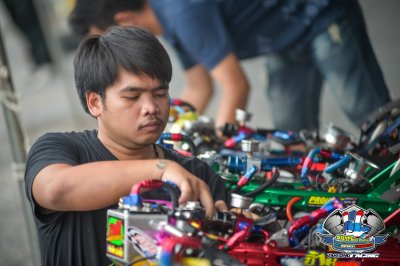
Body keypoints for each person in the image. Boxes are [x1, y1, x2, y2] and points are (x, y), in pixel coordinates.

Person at [24, 26, 229, 266]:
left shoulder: (197, 175)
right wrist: (159, 170)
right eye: (133, 97)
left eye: (160, 93)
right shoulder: (61, 149)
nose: (151, 107)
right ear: (94, 103)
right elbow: (56, 190)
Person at [69, 0, 392, 134]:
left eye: (107, 40)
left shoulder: (182, 13)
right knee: (290, 133)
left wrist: (219, 142)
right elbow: (199, 86)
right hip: (284, 35)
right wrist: (167, 136)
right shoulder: (165, 21)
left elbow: (236, 85)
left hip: (319, 13)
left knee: (369, 115)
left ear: (123, 20)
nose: (111, 53)